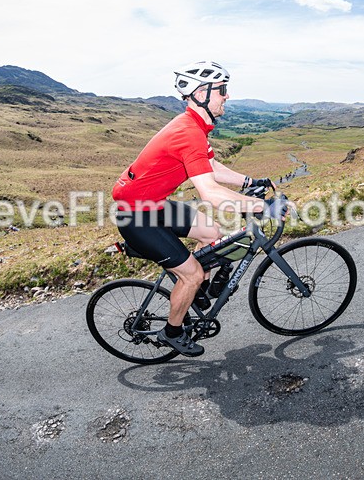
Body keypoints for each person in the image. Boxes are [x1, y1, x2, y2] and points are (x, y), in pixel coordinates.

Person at [111, 60, 287, 357]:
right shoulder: (187, 132)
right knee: (191, 274)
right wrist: (263, 206)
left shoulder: (192, 126)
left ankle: (200, 294)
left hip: (154, 206)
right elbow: (211, 193)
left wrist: (248, 181)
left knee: (213, 232)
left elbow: (210, 166)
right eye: (222, 90)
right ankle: (173, 332)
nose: (227, 96)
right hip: (135, 216)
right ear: (202, 92)